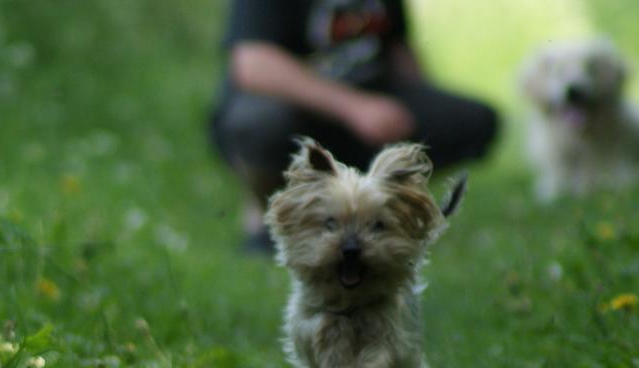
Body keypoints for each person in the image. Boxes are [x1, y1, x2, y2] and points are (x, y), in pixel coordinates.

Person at [210, 0, 498, 252]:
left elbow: (396, 47)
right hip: (299, 111)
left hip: (371, 99)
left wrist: (423, 105)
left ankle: (380, 208)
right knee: (260, 123)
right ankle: (266, 213)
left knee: (472, 120)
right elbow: (253, 64)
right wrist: (354, 108)